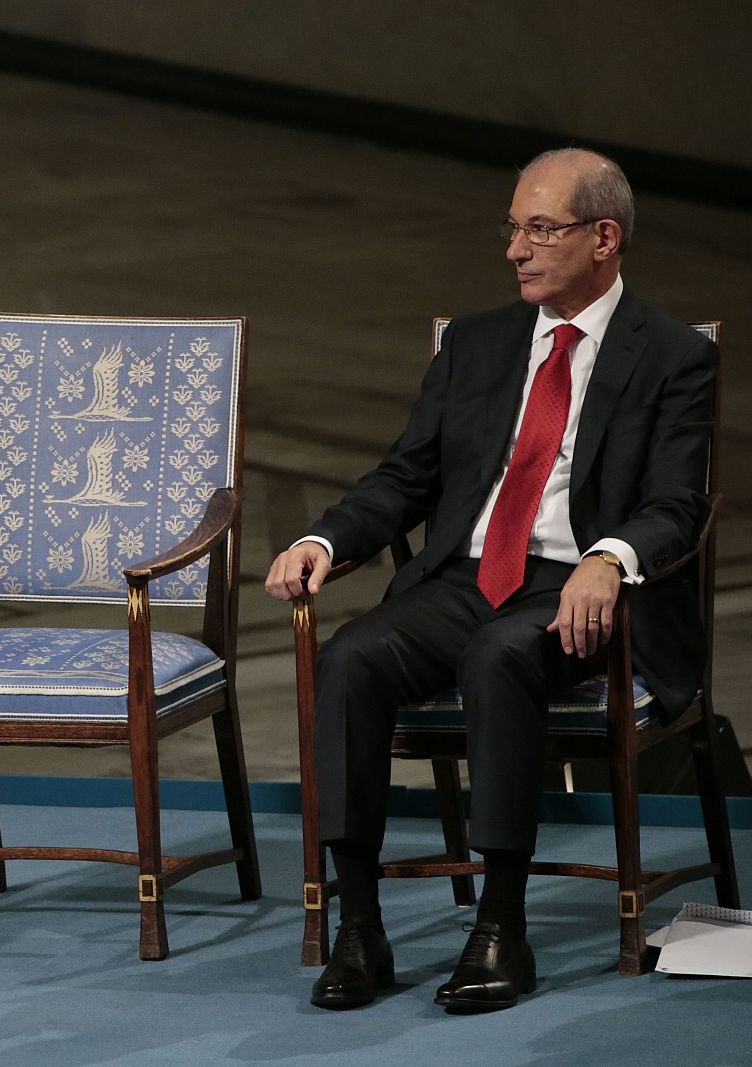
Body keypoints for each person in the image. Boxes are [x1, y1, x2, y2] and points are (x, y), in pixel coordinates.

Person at [264, 148, 717, 1013]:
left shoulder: (669, 356)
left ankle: (501, 925)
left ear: (604, 237)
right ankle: (360, 925)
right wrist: (327, 537)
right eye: (512, 228)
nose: (516, 248)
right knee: (353, 657)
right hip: (468, 575)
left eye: (540, 228)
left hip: (580, 589)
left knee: (503, 656)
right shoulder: (477, 341)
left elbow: (677, 505)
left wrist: (608, 558)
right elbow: (408, 475)